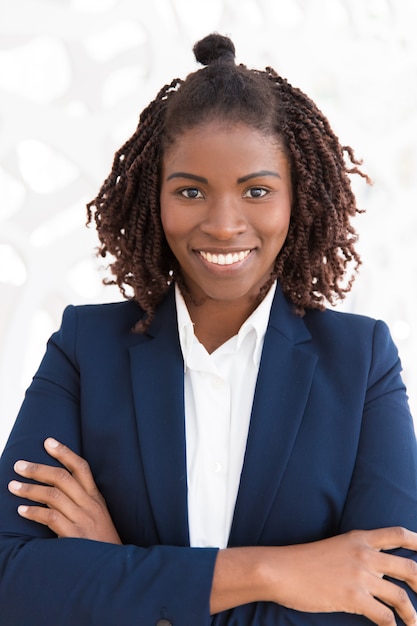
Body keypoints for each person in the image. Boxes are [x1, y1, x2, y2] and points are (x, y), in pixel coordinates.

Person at [0, 33, 417, 626]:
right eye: (191, 191)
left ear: (296, 200)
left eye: (257, 190)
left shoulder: (362, 361)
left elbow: (394, 601)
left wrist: (124, 571)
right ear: (155, 199)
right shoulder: (84, 351)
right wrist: (273, 571)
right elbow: (14, 582)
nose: (224, 224)